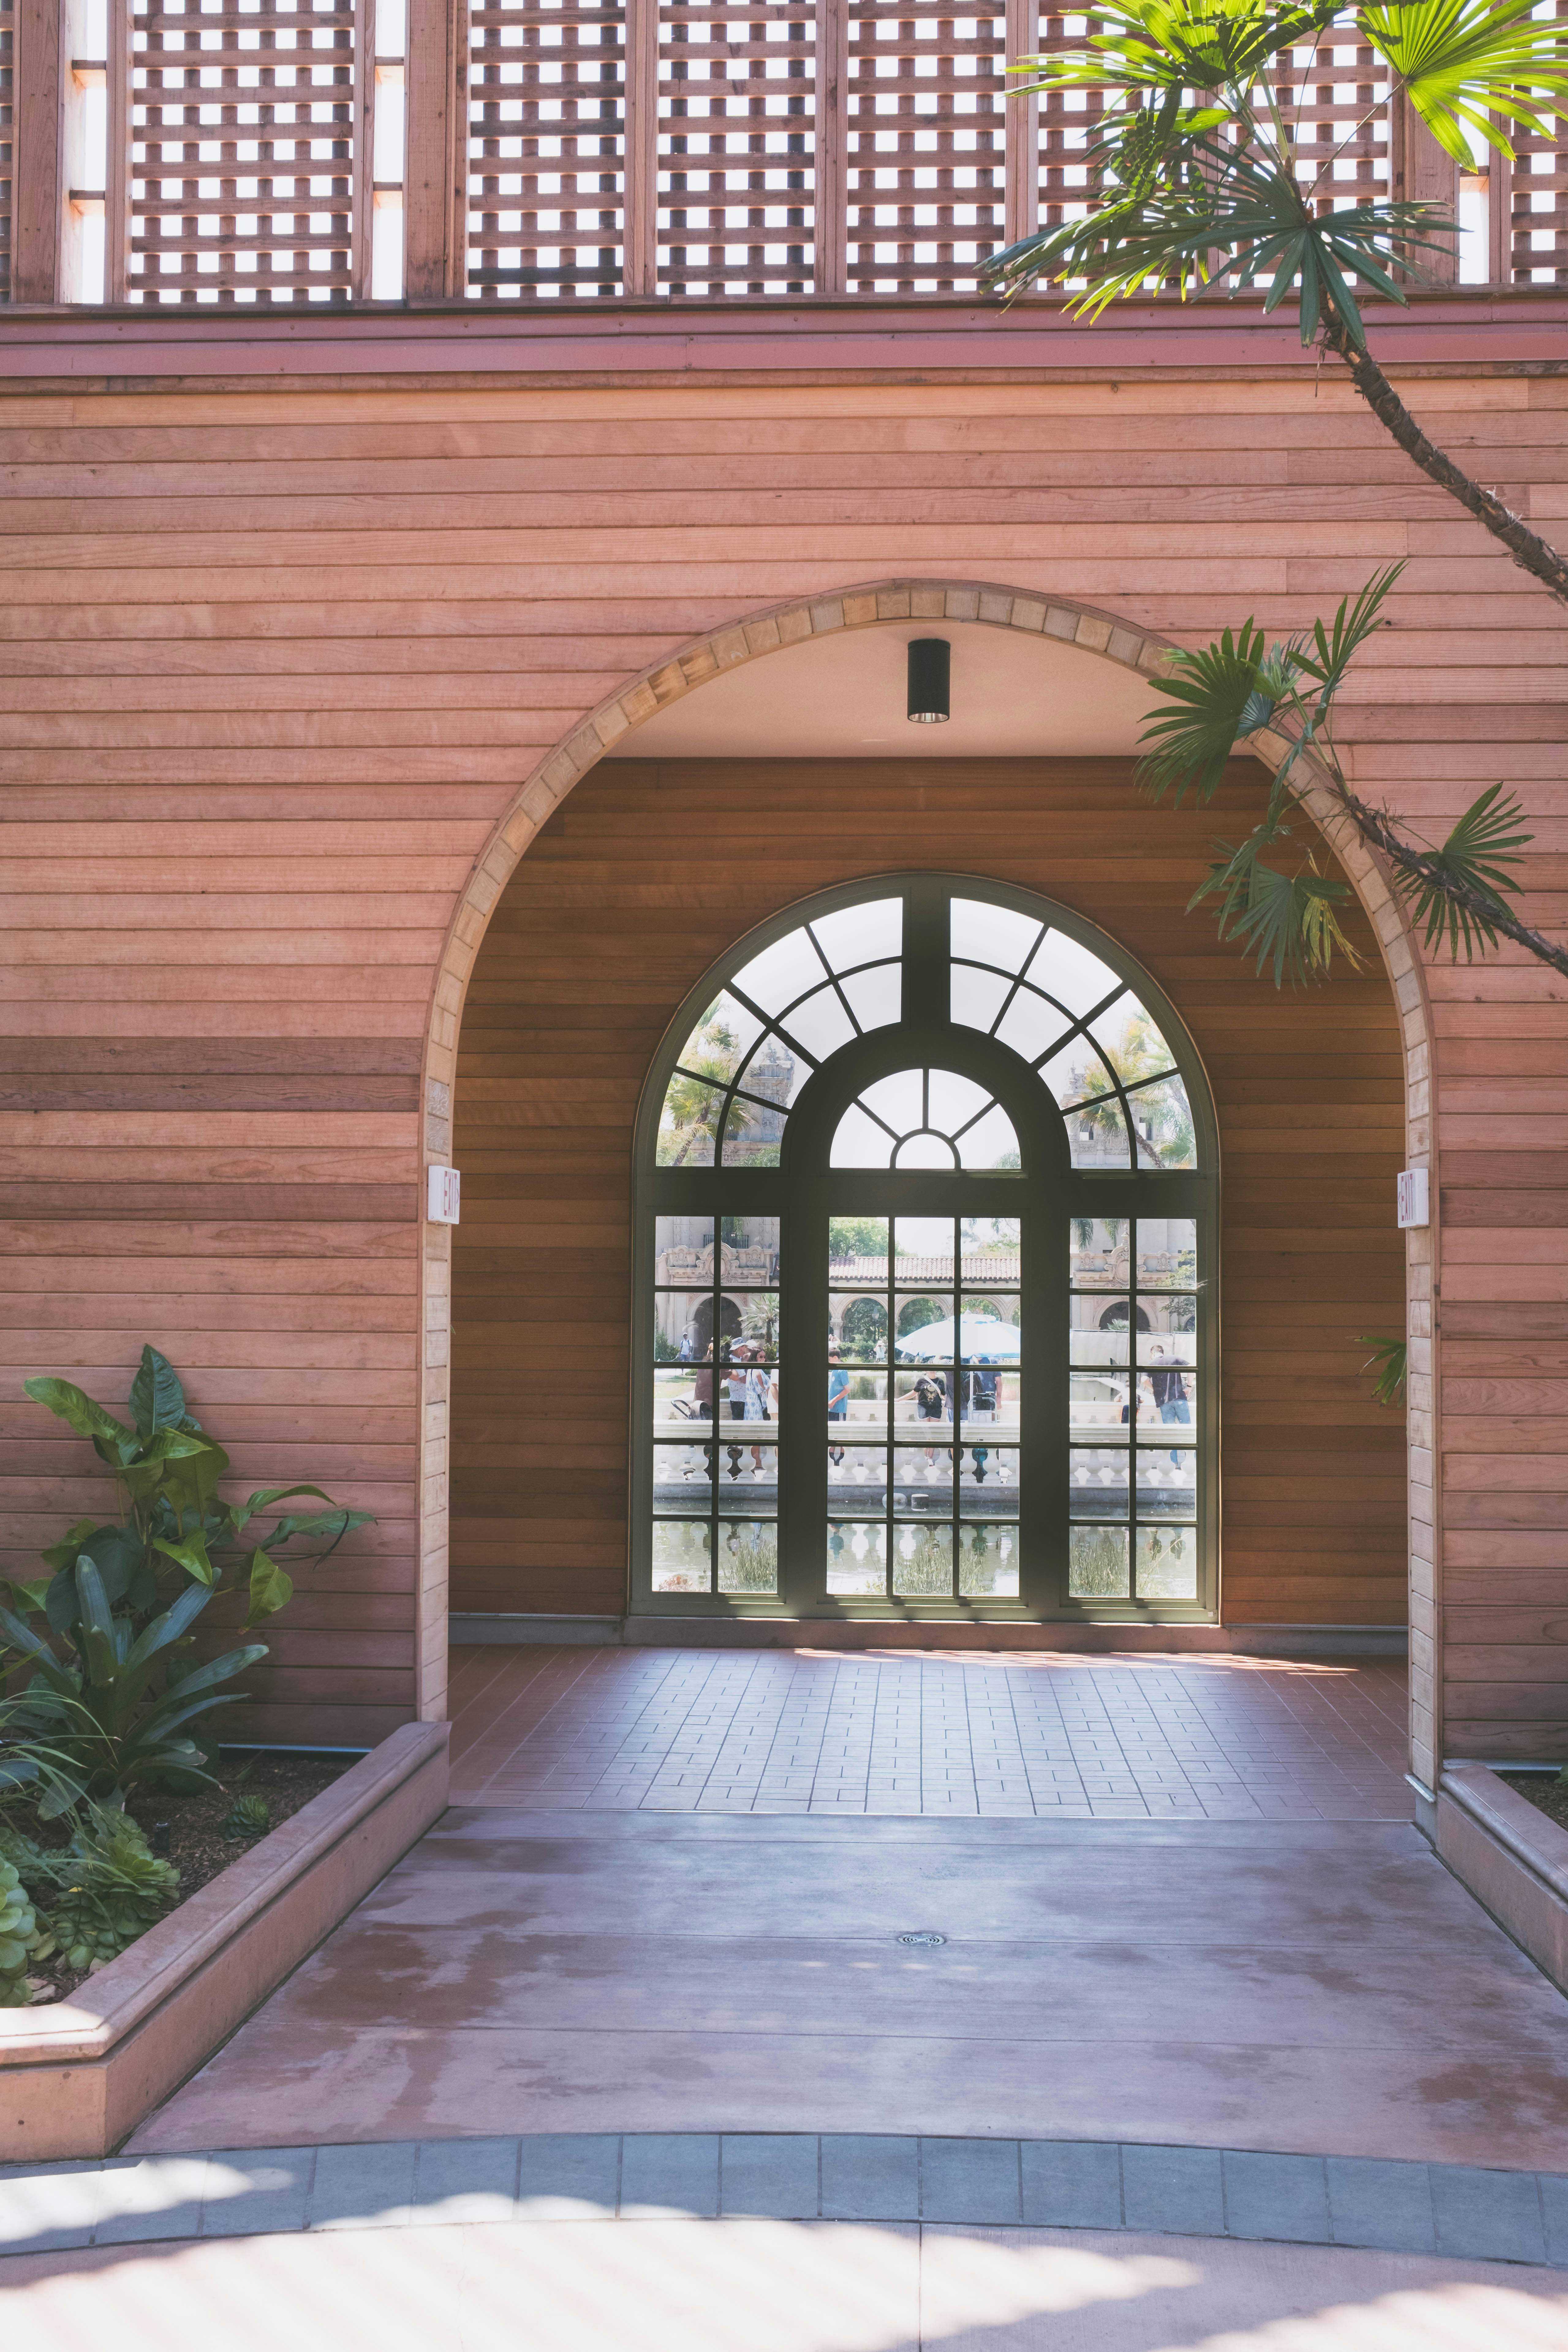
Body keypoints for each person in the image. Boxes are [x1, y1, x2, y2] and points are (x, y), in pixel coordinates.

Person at [1149, 1344, 1190, 1465]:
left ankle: (1174, 1463)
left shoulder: (1152, 1364)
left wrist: (1154, 1390)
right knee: (1188, 1431)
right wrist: (1189, 1387)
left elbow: (1144, 1380)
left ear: (1153, 1354)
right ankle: (1191, 1462)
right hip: (1180, 1398)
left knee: (1171, 1434)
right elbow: (1192, 1366)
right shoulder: (1175, 1359)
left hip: (1164, 1401)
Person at [827, 1344, 850, 1466]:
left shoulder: (842, 1371)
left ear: (835, 1358)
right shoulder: (833, 1370)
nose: (828, 1362)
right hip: (831, 1409)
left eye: (829, 1359)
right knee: (832, 1434)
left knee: (840, 1436)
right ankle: (834, 1461)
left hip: (839, 1409)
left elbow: (847, 1389)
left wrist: (834, 1401)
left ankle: (839, 1461)